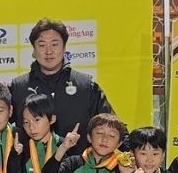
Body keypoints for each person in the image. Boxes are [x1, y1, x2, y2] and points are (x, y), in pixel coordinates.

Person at [9, 17, 116, 156]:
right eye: (42, 45)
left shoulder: (85, 86)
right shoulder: (19, 87)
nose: (48, 51)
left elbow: (113, 126)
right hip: (30, 167)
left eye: (54, 44)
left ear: (64, 47)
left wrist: (130, 154)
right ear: (34, 49)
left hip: (79, 167)